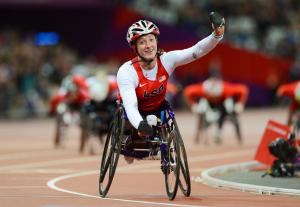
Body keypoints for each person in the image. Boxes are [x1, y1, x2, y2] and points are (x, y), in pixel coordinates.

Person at [117, 12, 225, 163]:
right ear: (134, 47)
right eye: (142, 42)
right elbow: (130, 104)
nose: (148, 46)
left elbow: (196, 51)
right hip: (134, 114)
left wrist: (216, 35)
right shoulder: (126, 71)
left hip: (158, 107)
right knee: (130, 155)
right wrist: (140, 124)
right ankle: (129, 139)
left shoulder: (167, 60)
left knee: (160, 119)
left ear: (156, 41)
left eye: (151, 40)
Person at [183, 74, 249, 144]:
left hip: (223, 103)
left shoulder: (226, 89)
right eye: (212, 96)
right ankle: (198, 135)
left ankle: (237, 137)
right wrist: (193, 105)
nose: (214, 98)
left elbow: (244, 90)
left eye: (215, 97)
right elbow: (187, 91)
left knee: (232, 112)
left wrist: (240, 104)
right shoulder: (203, 89)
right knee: (201, 111)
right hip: (208, 104)